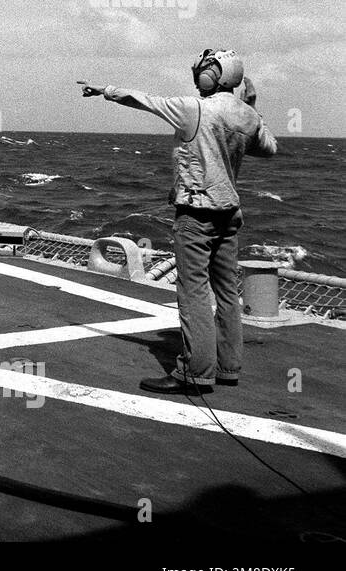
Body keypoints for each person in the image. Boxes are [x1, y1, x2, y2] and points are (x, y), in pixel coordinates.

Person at [79, 49, 277, 395]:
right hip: (229, 215)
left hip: (197, 214)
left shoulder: (193, 109)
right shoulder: (245, 115)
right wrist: (252, 108)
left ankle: (195, 373)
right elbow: (269, 148)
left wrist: (104, 90)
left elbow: (144, 101)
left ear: (215, 76)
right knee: (227, 292)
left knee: (194, 293)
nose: (200, 74)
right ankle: (228, 368)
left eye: (205, 70)